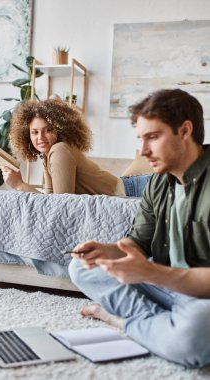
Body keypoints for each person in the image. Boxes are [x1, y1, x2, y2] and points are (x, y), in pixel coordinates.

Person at [68, 88, 210, 368]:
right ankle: (159, 326)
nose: (143, 151)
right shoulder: (157, 182)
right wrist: (105, 250)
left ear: (185, 130)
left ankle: (121, 321)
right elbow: (137, 242)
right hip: (166, 287)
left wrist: (152, 272)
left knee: (194, 333)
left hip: (201, 294)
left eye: (153, 137)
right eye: (140, 139)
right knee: (81, 268)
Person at [0, 98, 145, 196]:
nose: (40, 138)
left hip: (135, 190)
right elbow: (49, 201)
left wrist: (19, 185)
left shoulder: (59, 150)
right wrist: (19, 184)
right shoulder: (48, 154)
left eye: (48, 130)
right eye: (34, 132)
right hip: (132, 187)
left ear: (59, 129)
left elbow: (62, 205)